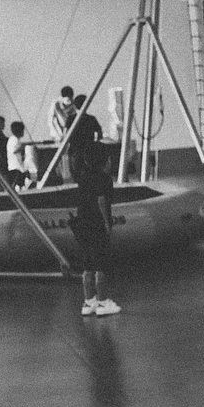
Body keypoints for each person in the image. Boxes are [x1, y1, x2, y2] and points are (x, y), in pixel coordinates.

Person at [71, 128, 119, 317]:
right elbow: (101, 200)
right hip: (97, 224)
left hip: (83, 224)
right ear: (104, 161)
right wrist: (107, 223)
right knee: (101, 265)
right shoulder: (104, 179)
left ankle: (88, 301)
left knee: (88, 265)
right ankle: (103, 302)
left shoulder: (82, 177)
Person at [66, 94, 104, 180]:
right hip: (89, 150)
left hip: (75, 150)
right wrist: (95, 142)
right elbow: (99, 134)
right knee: (89, 174)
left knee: (76, 174)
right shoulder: (91, 119)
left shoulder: (70, 119)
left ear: (74, 106)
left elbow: (65, 135)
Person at [6, 121, 36, 189]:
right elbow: (14, 151)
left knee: (21, 185)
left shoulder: (15, 139)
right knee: (18, 185)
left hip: (17, 167)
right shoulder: (13, 139)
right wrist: (23, 145)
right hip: (15, 167)